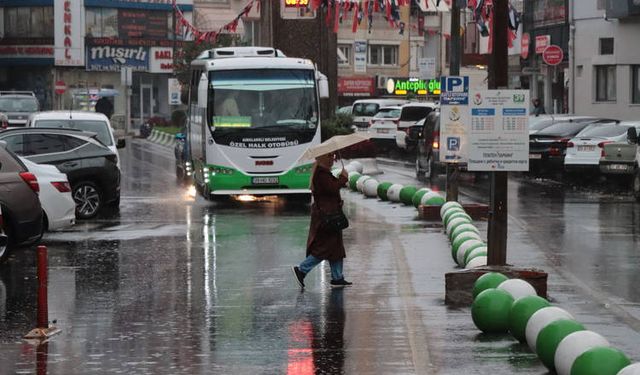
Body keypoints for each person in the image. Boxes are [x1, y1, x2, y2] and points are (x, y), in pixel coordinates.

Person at [292, 152, 352, 289]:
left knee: (335, 247)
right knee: (325, 247)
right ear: (323, 158)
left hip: (330, 214)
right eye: (330, 156)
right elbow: (331, 188)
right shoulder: (321, 174)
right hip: (326, 216)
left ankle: (337, 277)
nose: (333, 159)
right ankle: (302, 270)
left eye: (333, 156)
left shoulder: (324, 172)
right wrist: (343, 178)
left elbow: (330, 189)